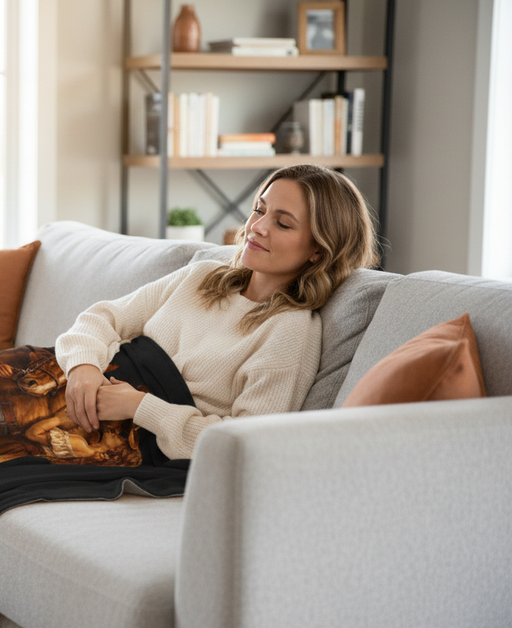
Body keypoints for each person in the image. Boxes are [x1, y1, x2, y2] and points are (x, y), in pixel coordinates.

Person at [58, 164, 380, 460]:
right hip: (73, 384)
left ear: (318, 251)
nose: (258, 227)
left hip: (125, 436)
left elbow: (246, 441)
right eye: (259, 210)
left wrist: (140, 406)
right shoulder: (202, 276)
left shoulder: (290, 330)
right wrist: (82, 367)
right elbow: (102, 318)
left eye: (282, 223)